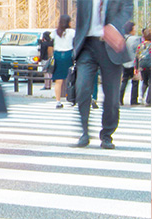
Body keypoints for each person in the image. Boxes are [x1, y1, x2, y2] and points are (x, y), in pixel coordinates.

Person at [72, 0, 133, 148]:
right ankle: (84, 132)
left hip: (111, 45)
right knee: (82, 88)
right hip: (87, 46)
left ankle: (107, 135)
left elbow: (128, 8)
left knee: (111, 96)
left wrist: (113, 27)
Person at [51, 15, 76, 108]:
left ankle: (58, 101)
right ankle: (72, 98)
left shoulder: (55, 32)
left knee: (58, 80)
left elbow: (51, 43)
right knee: (71, 78)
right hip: (68, 54)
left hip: (57, 55)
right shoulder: (72, 32)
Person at [120, 21, 141, 105]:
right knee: (135, 82)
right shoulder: (135, 39)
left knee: (124, 81)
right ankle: (133, 100)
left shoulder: (122, 38)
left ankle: (119, 98)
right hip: (132, 63)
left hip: (123, 63)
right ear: (131, 29)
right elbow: (137, 52)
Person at [136, 28, 151, 106]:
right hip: (150, 66)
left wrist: (136, 68)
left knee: (144, 82)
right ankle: (148, 101)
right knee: (151, 83)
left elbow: (137, 57)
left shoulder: (140, 45)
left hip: (142, 66)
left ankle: (141, 96)